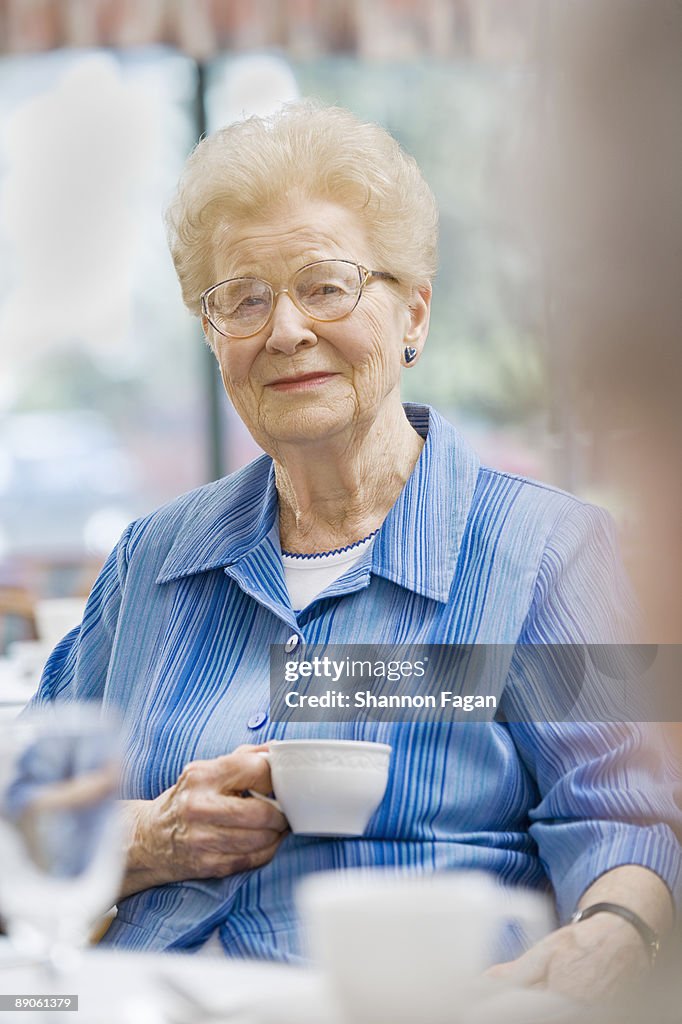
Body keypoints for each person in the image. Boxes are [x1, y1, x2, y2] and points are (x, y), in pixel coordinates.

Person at [32, 102, 679, 1001]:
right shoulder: (155, 559)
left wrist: (601, 948)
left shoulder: (548, 552)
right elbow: (28, 808)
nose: (285, 330)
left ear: (414, 310)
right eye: (244, 299)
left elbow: (631, 825)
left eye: (325, 285)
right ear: (216, 338)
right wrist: (146, 839)